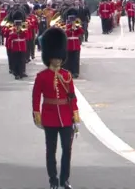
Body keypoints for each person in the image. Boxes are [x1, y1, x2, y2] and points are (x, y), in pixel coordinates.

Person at [32, 27, 79, 189]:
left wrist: (76, 116)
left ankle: (64, 179)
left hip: (66, 117)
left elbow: (72, 96)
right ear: (49, 57)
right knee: (50, 151)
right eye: (55, 58)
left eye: (60, 58)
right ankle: (53, 179)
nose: (58, 61)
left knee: (67, 149)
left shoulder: (66, 75)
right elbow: (36, 97)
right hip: (50, 117)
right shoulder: (42, 76)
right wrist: (37, 115)